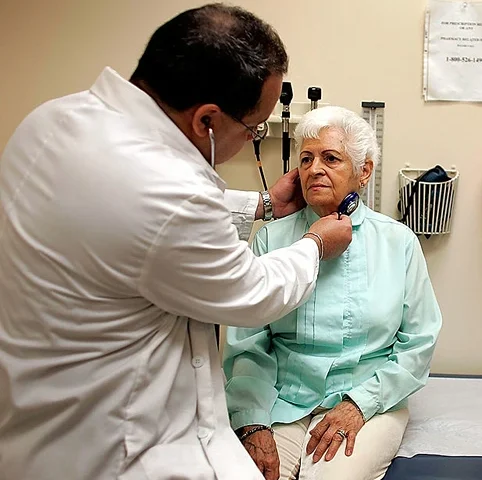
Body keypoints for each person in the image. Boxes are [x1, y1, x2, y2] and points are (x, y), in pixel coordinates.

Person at [0, 4, 353, 479]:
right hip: (114, 445)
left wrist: (261, 205)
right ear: (207, 120)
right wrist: (314, 243)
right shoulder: (172, 194)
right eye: (254, 129)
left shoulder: (54, 120)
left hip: (35, 420)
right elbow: (253, 292)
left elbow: (128, 217)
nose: (316, 170)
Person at [223, 106, 443, 480]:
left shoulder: (397, 242)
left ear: (364, 171)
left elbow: (418, 342)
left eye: (330, 158)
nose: (314, 169)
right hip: (280, 400)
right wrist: (252, 421)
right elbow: (247, 343)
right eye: (306, 159)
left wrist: (361, 404)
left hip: (367, 400)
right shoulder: (270, 238)